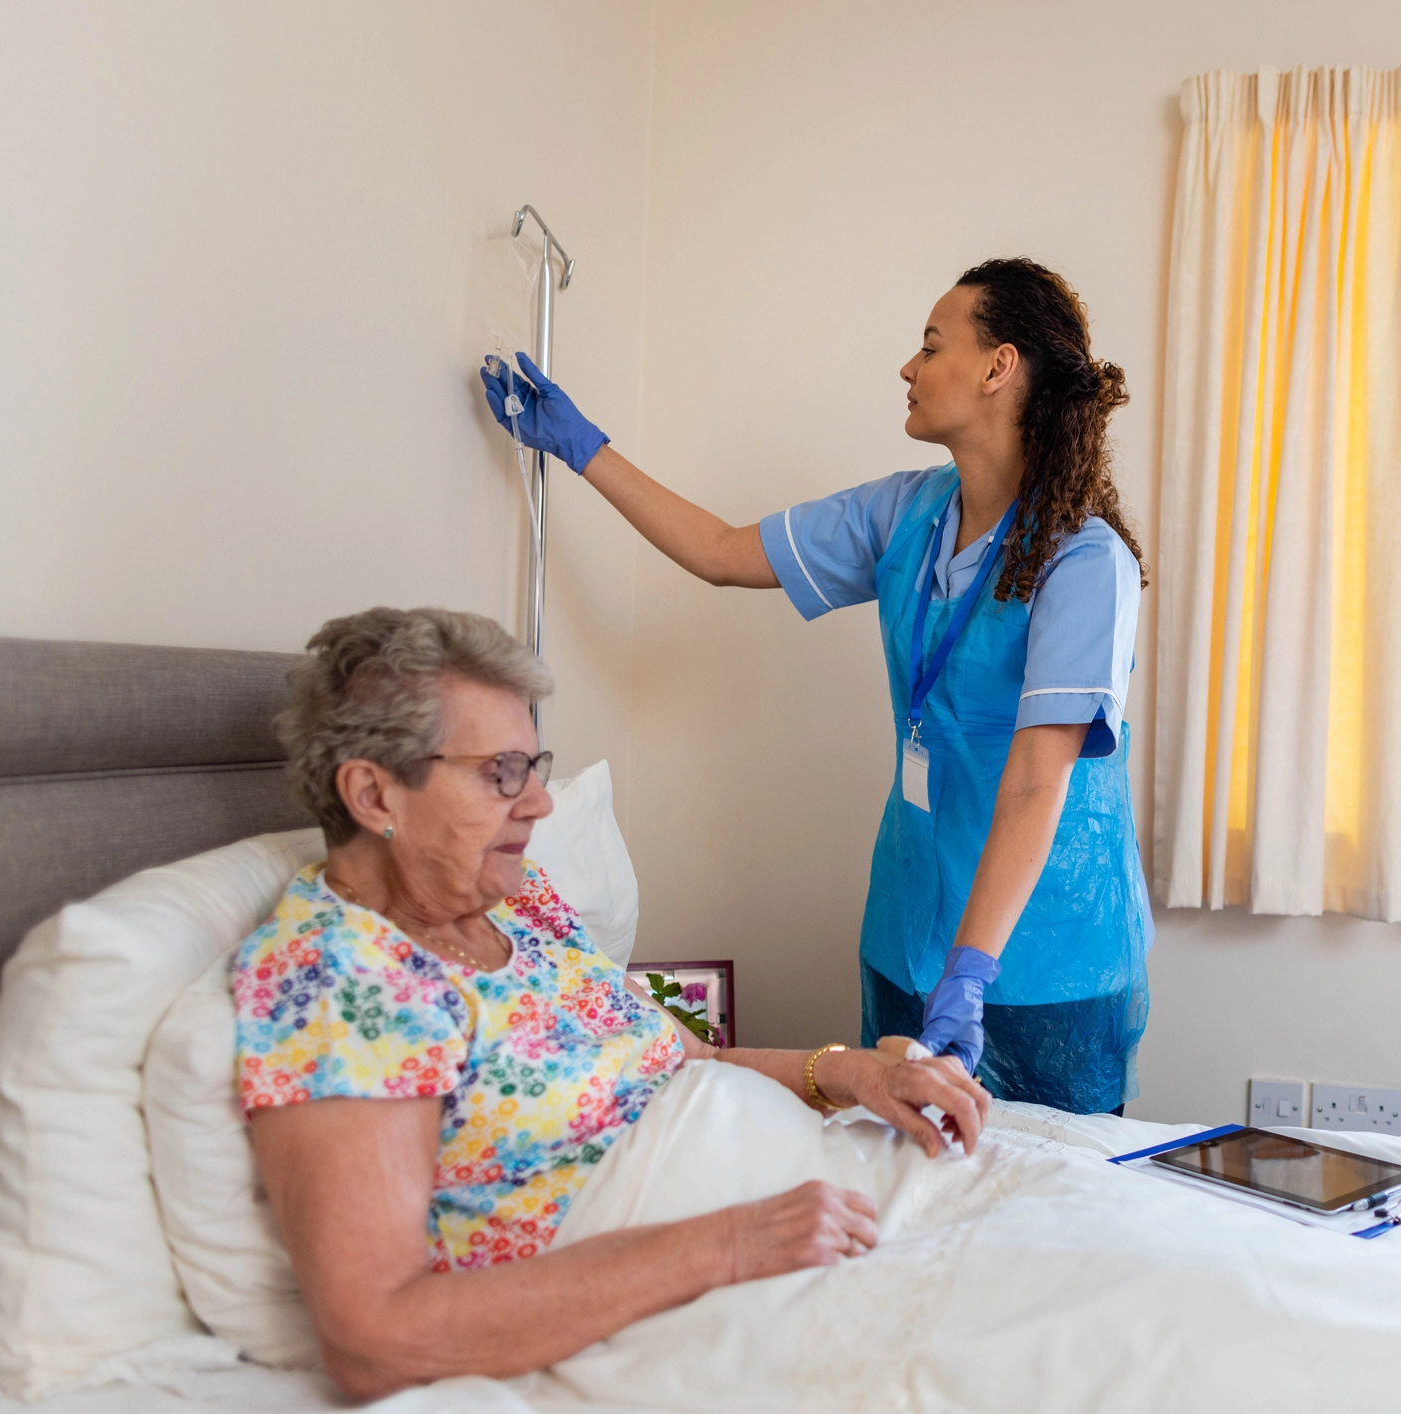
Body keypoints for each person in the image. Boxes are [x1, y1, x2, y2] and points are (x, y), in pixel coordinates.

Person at [238, 608, 989, 1397]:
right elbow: (375, 1340)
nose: (538, 804)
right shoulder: (341, 980)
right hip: (705, 1268)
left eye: (534, 767)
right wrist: (730, 1245)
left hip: (805, 1190)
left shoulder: (517, 902)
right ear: (374, 794)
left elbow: (694, 1062)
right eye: (501, 772)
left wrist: (853, 1074)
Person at [477, 259, 1151, 1115]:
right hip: (907, 934)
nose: (907, 367)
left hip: (1046, 954)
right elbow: (721, 552)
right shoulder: (905, 515)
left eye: (930, 345)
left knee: (1053, 1207)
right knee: (909, 1191)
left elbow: (1034, 780)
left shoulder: (1087, 562)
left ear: (998, 367)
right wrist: (580, 446)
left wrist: (972, 971)